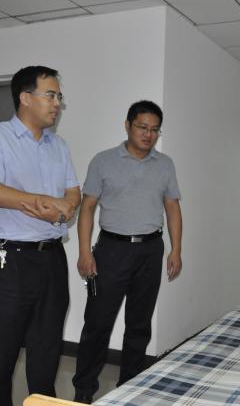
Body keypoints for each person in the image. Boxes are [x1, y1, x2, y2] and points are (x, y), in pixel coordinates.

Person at [0, 66, 81, 406]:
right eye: (51, 95)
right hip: (10, 259)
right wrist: (44, 203)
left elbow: (73, 193)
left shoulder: (58, 145)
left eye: (59, 96)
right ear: (25, 98)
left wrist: (65, 207)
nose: (57, 103)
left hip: (51, 257)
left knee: (47, 350)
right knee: (2, 353)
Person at [72, 100, 182, 404]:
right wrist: (84, 252)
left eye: (155, 130)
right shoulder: (103, 161)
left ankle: (130, 387)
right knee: (98, 323)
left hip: (150, 250)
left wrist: (176, 249)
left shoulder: (165, 164)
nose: (148, 134)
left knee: (139, 324)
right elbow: (87, 208)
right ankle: (83, 391)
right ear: (127, 126)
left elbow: (172, 208)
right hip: (111, 250)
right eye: (142, 127)